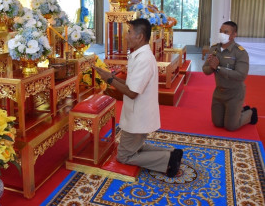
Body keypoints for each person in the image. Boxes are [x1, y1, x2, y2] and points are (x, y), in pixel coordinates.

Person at [93, 18, 183, 178]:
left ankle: (167, 159)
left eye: (129, 32)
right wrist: (110, 76)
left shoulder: (144, 59)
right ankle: (171, 153)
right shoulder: (139, 55)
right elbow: (130, 83)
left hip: (138, 115)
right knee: (134, 148)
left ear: (140, 37)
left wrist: (109, 79)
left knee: (124, 156)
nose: (126, 36)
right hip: (138, 113)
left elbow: (132, 92)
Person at [202, 21, 258, 131]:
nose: (222, 34)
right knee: (217, 123)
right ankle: (238, 111)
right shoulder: (214, 49)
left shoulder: (240, 52)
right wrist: (212, 67)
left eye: (226, 32)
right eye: (220, 31)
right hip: (219, 93)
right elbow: (205, 70)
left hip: (235, 94)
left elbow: (241, 76)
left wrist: (218, 68)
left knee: (231, 126)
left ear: (234, 35)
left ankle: (250, 113)